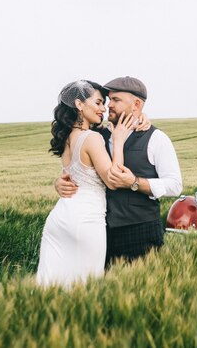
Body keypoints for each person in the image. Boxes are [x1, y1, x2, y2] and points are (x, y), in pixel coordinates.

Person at [55, 76, 182, 264]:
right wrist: (59, 182)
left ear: (136, 104)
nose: (108, 106)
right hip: (99, 230)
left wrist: (135, 183)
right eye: (107, 100)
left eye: (116, 100)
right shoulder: (97, 135)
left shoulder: (157, 138)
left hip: (140, 230)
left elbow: (175, 185)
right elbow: (79, 163)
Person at [36, 80, 135, 287]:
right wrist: (118, 141)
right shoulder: (91, 138)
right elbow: (113, 180)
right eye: (98, 103)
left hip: (59, 218)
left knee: (50, 286)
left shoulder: (66, 137)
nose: (103, 108)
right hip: (86, 221)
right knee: (84, 286)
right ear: (80, 105)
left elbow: (71, 175)